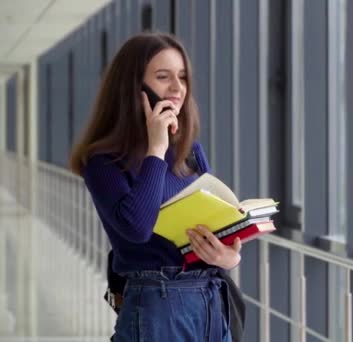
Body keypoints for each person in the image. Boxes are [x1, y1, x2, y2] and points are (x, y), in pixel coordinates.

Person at [69, 32, 240, 341]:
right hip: (157, 304)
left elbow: (219, 223)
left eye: (183, 77)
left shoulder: (190, 151)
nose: (177, 88)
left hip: (211, 300)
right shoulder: (103, 161)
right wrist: (156, 150)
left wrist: (228, 257)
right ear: (135, 88)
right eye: (163, 77)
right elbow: (137, 228)